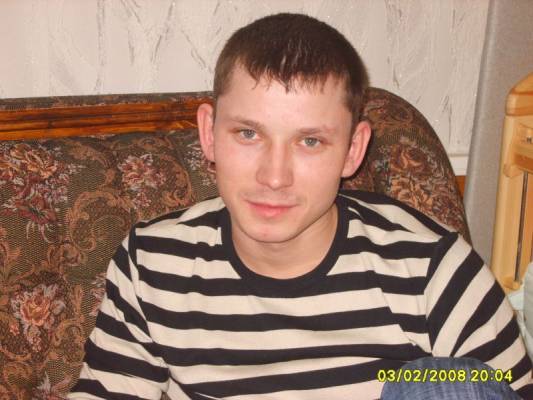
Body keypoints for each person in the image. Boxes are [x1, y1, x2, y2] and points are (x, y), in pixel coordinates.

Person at [69, 13, 532, 399]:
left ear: (352, 150)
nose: (274, 177)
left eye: (310, 141)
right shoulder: (153, 264)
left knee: (447, 386)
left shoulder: (431, 266)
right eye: (248, 133)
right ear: (209, 134)